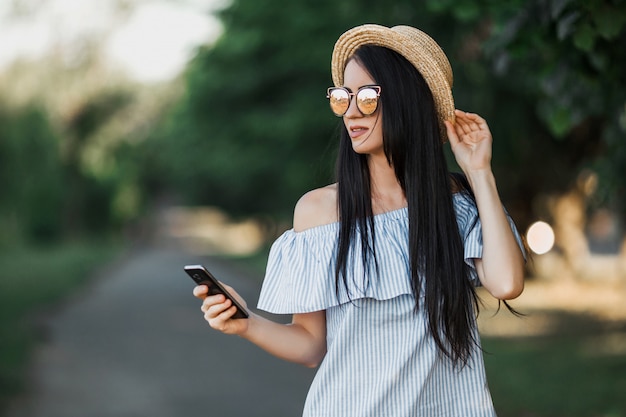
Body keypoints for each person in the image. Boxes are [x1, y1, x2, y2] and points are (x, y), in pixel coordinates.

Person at [194, 24, 526, 417]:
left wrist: (479, 173)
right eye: (343, 97)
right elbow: (310, 345)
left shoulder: (457, 203)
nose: (351, 111)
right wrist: (245, 322)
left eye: (367, 97)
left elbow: (506, 283)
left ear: (408, 101)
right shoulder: (320, 212)